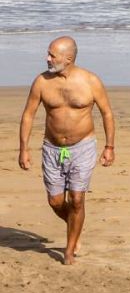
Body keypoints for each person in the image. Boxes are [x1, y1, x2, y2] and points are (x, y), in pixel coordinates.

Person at [16, 36, 116, 265]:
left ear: (68, 58)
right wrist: (24, 149)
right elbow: (28, 115)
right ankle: (74, 225)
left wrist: (109, 147)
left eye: (52, 54)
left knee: (77, 199)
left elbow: (107, 113)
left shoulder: (90, 81)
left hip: (82, 147)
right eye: (48, 53)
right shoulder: (42, 82)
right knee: (55, 201)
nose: (47, 58)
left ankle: (69, 251)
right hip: (52, 148)